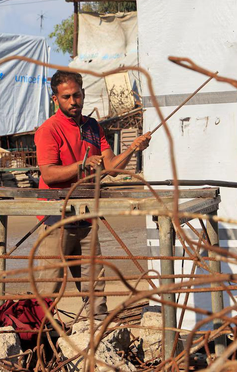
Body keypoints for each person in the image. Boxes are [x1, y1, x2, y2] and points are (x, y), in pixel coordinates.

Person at [32, 70, 151, 317]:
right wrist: (82, 165)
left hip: (87, 215)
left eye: (77, 95)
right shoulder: (49, 129)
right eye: (66, 97)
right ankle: (40, 338)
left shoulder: (92, 127)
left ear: (84, 94)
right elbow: (49, 174)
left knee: (95, 284)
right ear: (56, 99)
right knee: (49, 285)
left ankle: (97, 335)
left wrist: (132, 148)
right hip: (57, 217)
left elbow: (112, 169)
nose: (73, 101)